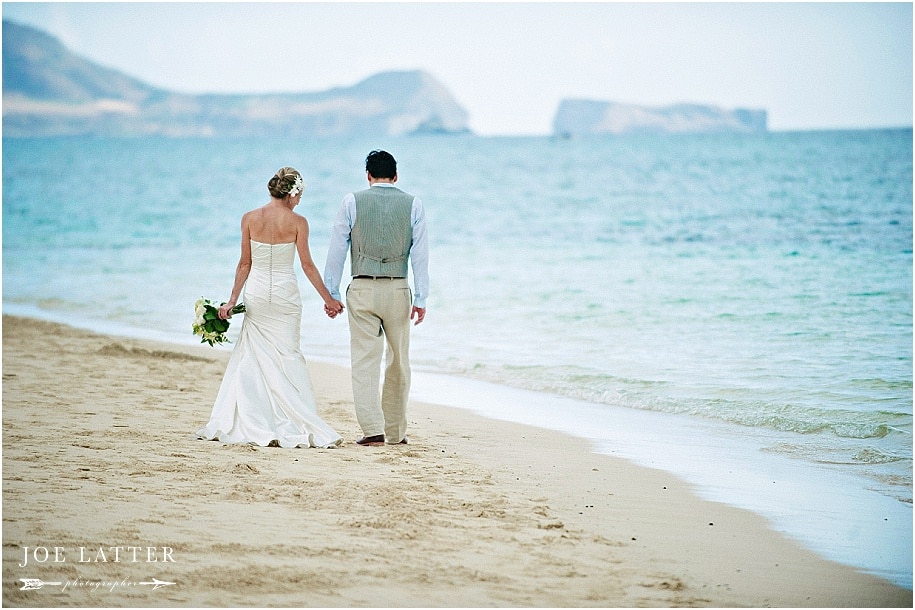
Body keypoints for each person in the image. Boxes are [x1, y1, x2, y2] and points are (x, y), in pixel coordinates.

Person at [196, 167, 345, 448]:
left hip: (257, 294)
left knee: (253, 355)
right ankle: (295, 417)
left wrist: (232, 300)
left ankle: (255, 417)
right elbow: (307, 265)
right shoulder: (299, 222)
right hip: (285, 296)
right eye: (299, 194)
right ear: (291, 193)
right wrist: (328, 299)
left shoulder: (250, 218)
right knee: (289, 354)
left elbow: (244, 263)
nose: (300, 200)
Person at [323, 150, 429, 446]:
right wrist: (421, 297)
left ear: (368, 176)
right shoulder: (413, 204)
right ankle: (395, 433)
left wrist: (331, 293)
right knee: (399, 361)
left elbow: (336, 249)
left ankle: (373, 430)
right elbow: (420, 256)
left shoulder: (352, 201)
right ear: (396, 176)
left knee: (365, 361)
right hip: (398, 288)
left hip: (363, 287)